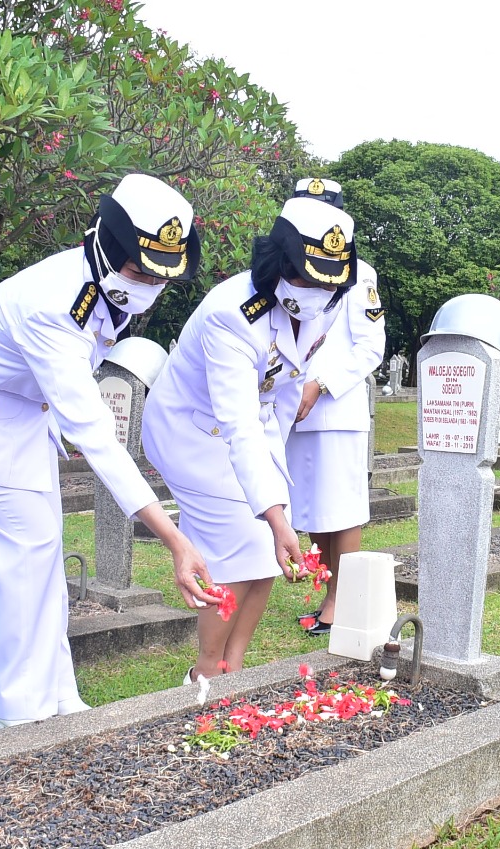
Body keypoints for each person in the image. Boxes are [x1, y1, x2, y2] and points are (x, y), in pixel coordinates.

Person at [0, 174, 217, 730]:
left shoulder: (98, 284)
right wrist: (173, 539)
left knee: (45, 551)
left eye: (161, 276)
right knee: (26, 550)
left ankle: (60, 697)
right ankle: (22, 720)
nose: (149, 285)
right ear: (111, 246)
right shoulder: (55, 305)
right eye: (140, 270)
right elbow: (95, 431)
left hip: (16, 415)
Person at [141, 196, 359, 680]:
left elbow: (278, 404)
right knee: (238, 547)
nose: (319, 290)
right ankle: (203, 674)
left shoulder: (320, 306)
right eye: (308, 275)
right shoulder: (233, 314)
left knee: (262, 551)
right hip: (190, 431)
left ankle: (232, 668)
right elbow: (237, 423)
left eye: (331, 280)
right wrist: (278, 518)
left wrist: (275, 497)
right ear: (280, 263)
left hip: (248, 427)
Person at [285, 178, 386, 636]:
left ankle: (338, 602)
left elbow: (370, 347)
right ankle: (329, 591)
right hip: (293, 409)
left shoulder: (358, 273)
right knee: (312, 511)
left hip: (335, 411)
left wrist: (321, 384)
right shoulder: (288, 267)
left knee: (340, 510)